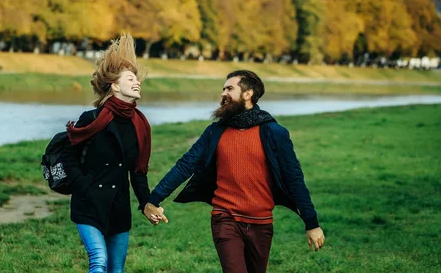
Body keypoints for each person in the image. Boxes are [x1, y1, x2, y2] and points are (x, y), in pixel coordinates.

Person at [144, 70, 325, 273]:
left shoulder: (273, 132)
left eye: (230, 88)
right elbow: (185, 165)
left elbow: (294, 179)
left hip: (261, 223)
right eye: (223, 89)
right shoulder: (215, 132)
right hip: (225, 218)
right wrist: (154, 199)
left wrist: (312, 223)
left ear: (248, 94)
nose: (223, 93)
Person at [63, 33, 162, 273]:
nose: (137, 82)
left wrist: (146, 204)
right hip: (88, 203)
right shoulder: (93, 118)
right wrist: (82, 185)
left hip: (118, 208)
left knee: (116, 269)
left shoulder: (139, 125)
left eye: (137, 79)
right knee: (99, 261)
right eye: (130, 79)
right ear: (115, 85)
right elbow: (68, 155)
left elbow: (138, 173)